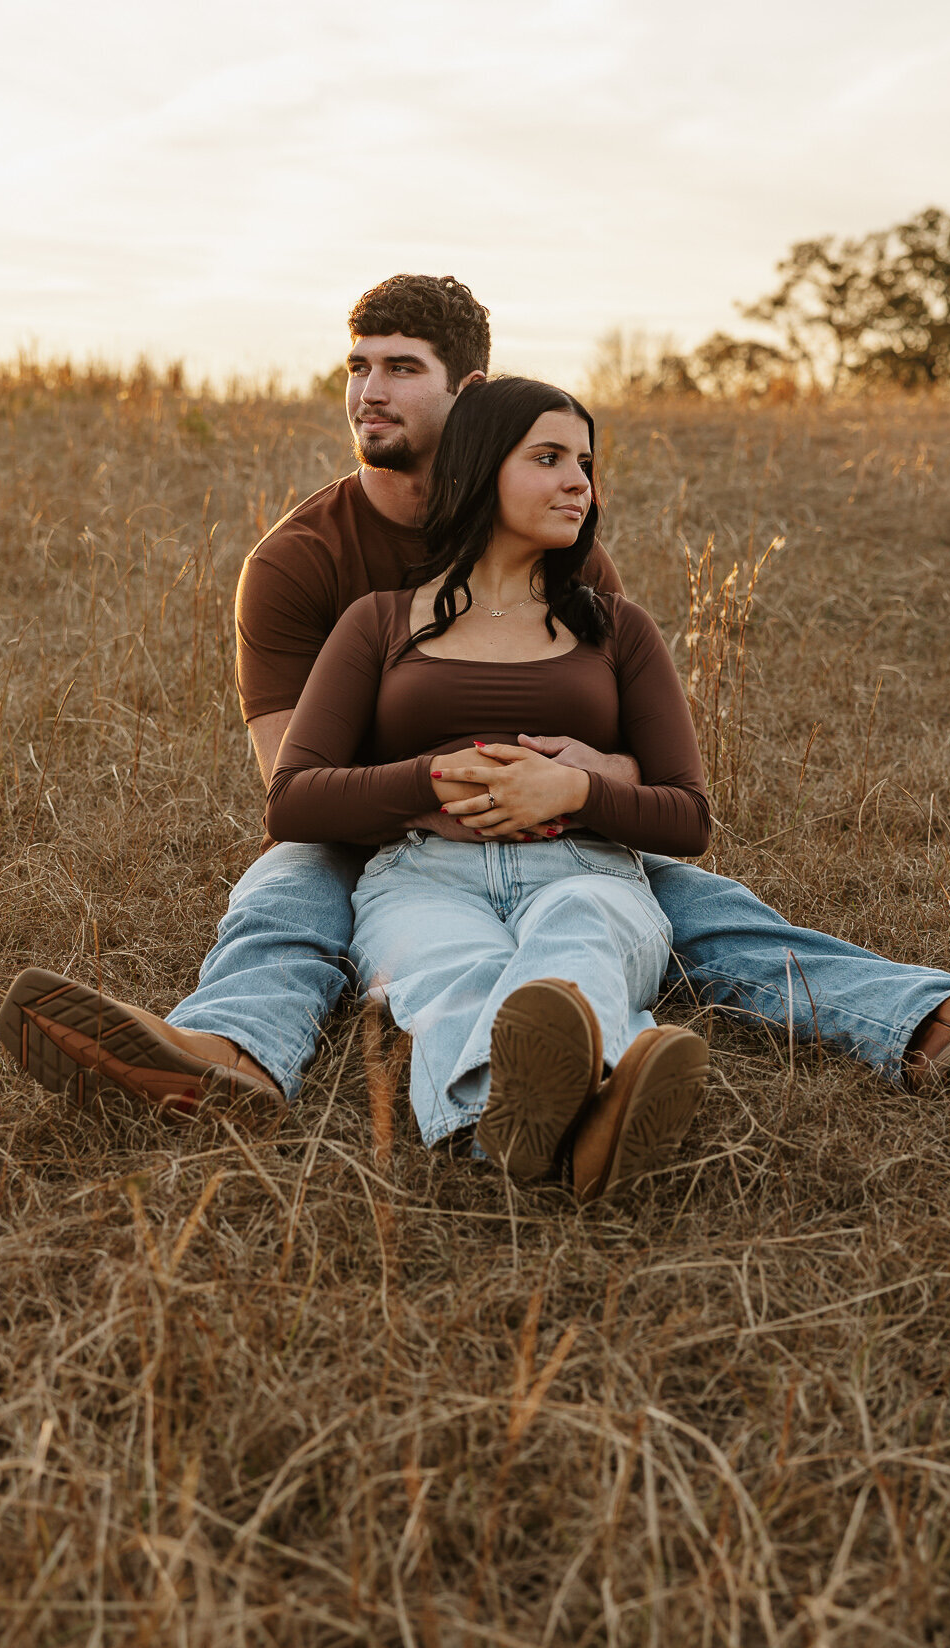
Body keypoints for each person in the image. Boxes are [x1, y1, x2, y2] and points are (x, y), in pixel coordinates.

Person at [0, 274, 950, 1131]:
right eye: (357, 365)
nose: (368, 390)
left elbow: (646, 770)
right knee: (288, 884)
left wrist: (569, 788)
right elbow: (284, 784)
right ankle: (230, 1056)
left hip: (561, 829)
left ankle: (937, 1023)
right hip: (379, 834)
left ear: (473, 394)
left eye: (399, 366)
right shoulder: (302, 563)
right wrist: (443, 793)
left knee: (680, 895)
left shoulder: (556, 548)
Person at [267, 375, 712, 1196]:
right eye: (548, 458)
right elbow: (291, 798)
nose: (578, 481)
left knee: (578, 932)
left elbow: (688, 817)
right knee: (451, 967)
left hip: (585, 869)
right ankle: (592, 1113)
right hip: (419, 878)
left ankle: (517, 1130)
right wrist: (429, 777)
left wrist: (574, 792)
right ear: (478, 469)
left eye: (584, 462)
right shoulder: (378, 620)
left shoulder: (617, 627)